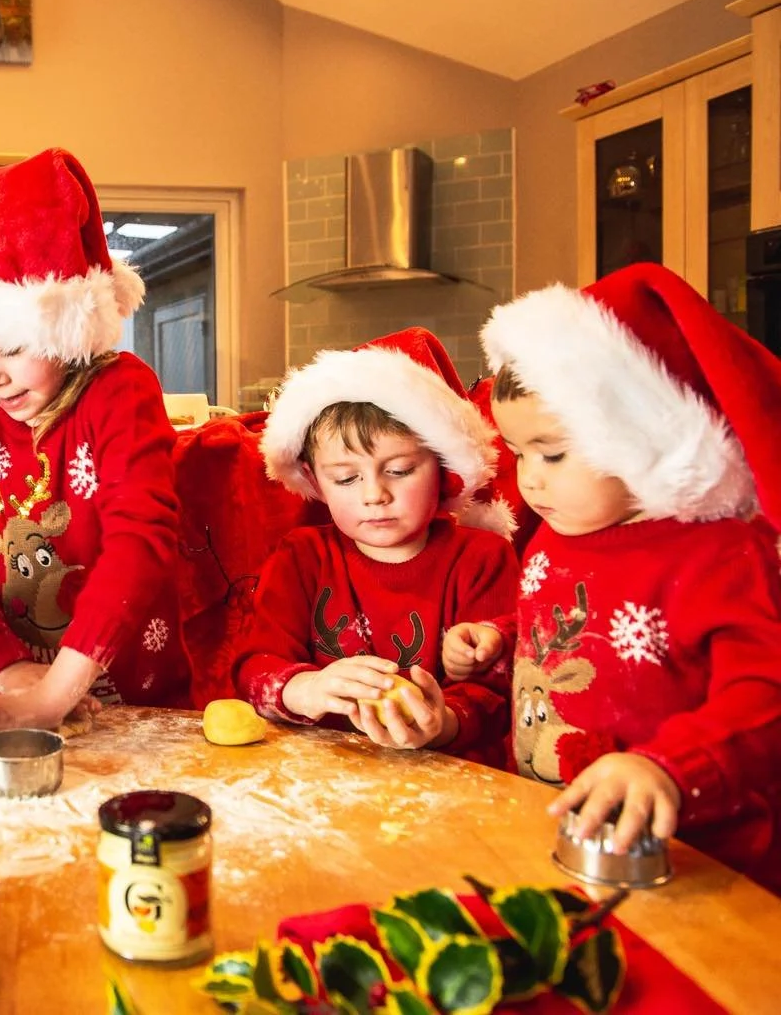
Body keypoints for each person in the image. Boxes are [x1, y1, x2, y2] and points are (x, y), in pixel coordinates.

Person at [446, 262, 781, 892]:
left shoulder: (722, 555)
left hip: (697, 860)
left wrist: (671, 769)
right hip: (555, 834)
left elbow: (766, 694)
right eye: (520, 454)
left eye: (554, 452)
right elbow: (573, 634)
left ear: (641, 438)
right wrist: (498, 641)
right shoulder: (562, 528)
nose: (531, 479)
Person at [0, 148, 191, 736]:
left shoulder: (121, 391)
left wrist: (57, 692)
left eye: (11, 348)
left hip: (133, 692)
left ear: (64, 329)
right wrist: (7, 668)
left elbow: (140, 541)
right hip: (19, 686)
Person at [235, 329, 518, 759]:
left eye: (400, 470)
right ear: (314, 480)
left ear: (444, 469)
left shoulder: (482, 558)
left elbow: (501, 695)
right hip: (324, 773)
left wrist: (443, 721)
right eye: (347, 478)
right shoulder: (302, 557)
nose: (374, 494)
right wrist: (303, 688)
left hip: (447, 781)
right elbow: (254, 667)